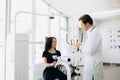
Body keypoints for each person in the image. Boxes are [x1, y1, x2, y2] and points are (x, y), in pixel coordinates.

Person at [76, 14, 103, 80]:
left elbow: (90, 50)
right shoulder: (91, 32)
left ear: (87, 24)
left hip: (93, 64)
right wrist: (82, 44)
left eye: (82, 24)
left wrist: (80, 47)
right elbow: (89, 45)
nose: (81, 26)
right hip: (91, 62)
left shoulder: (94, 33)